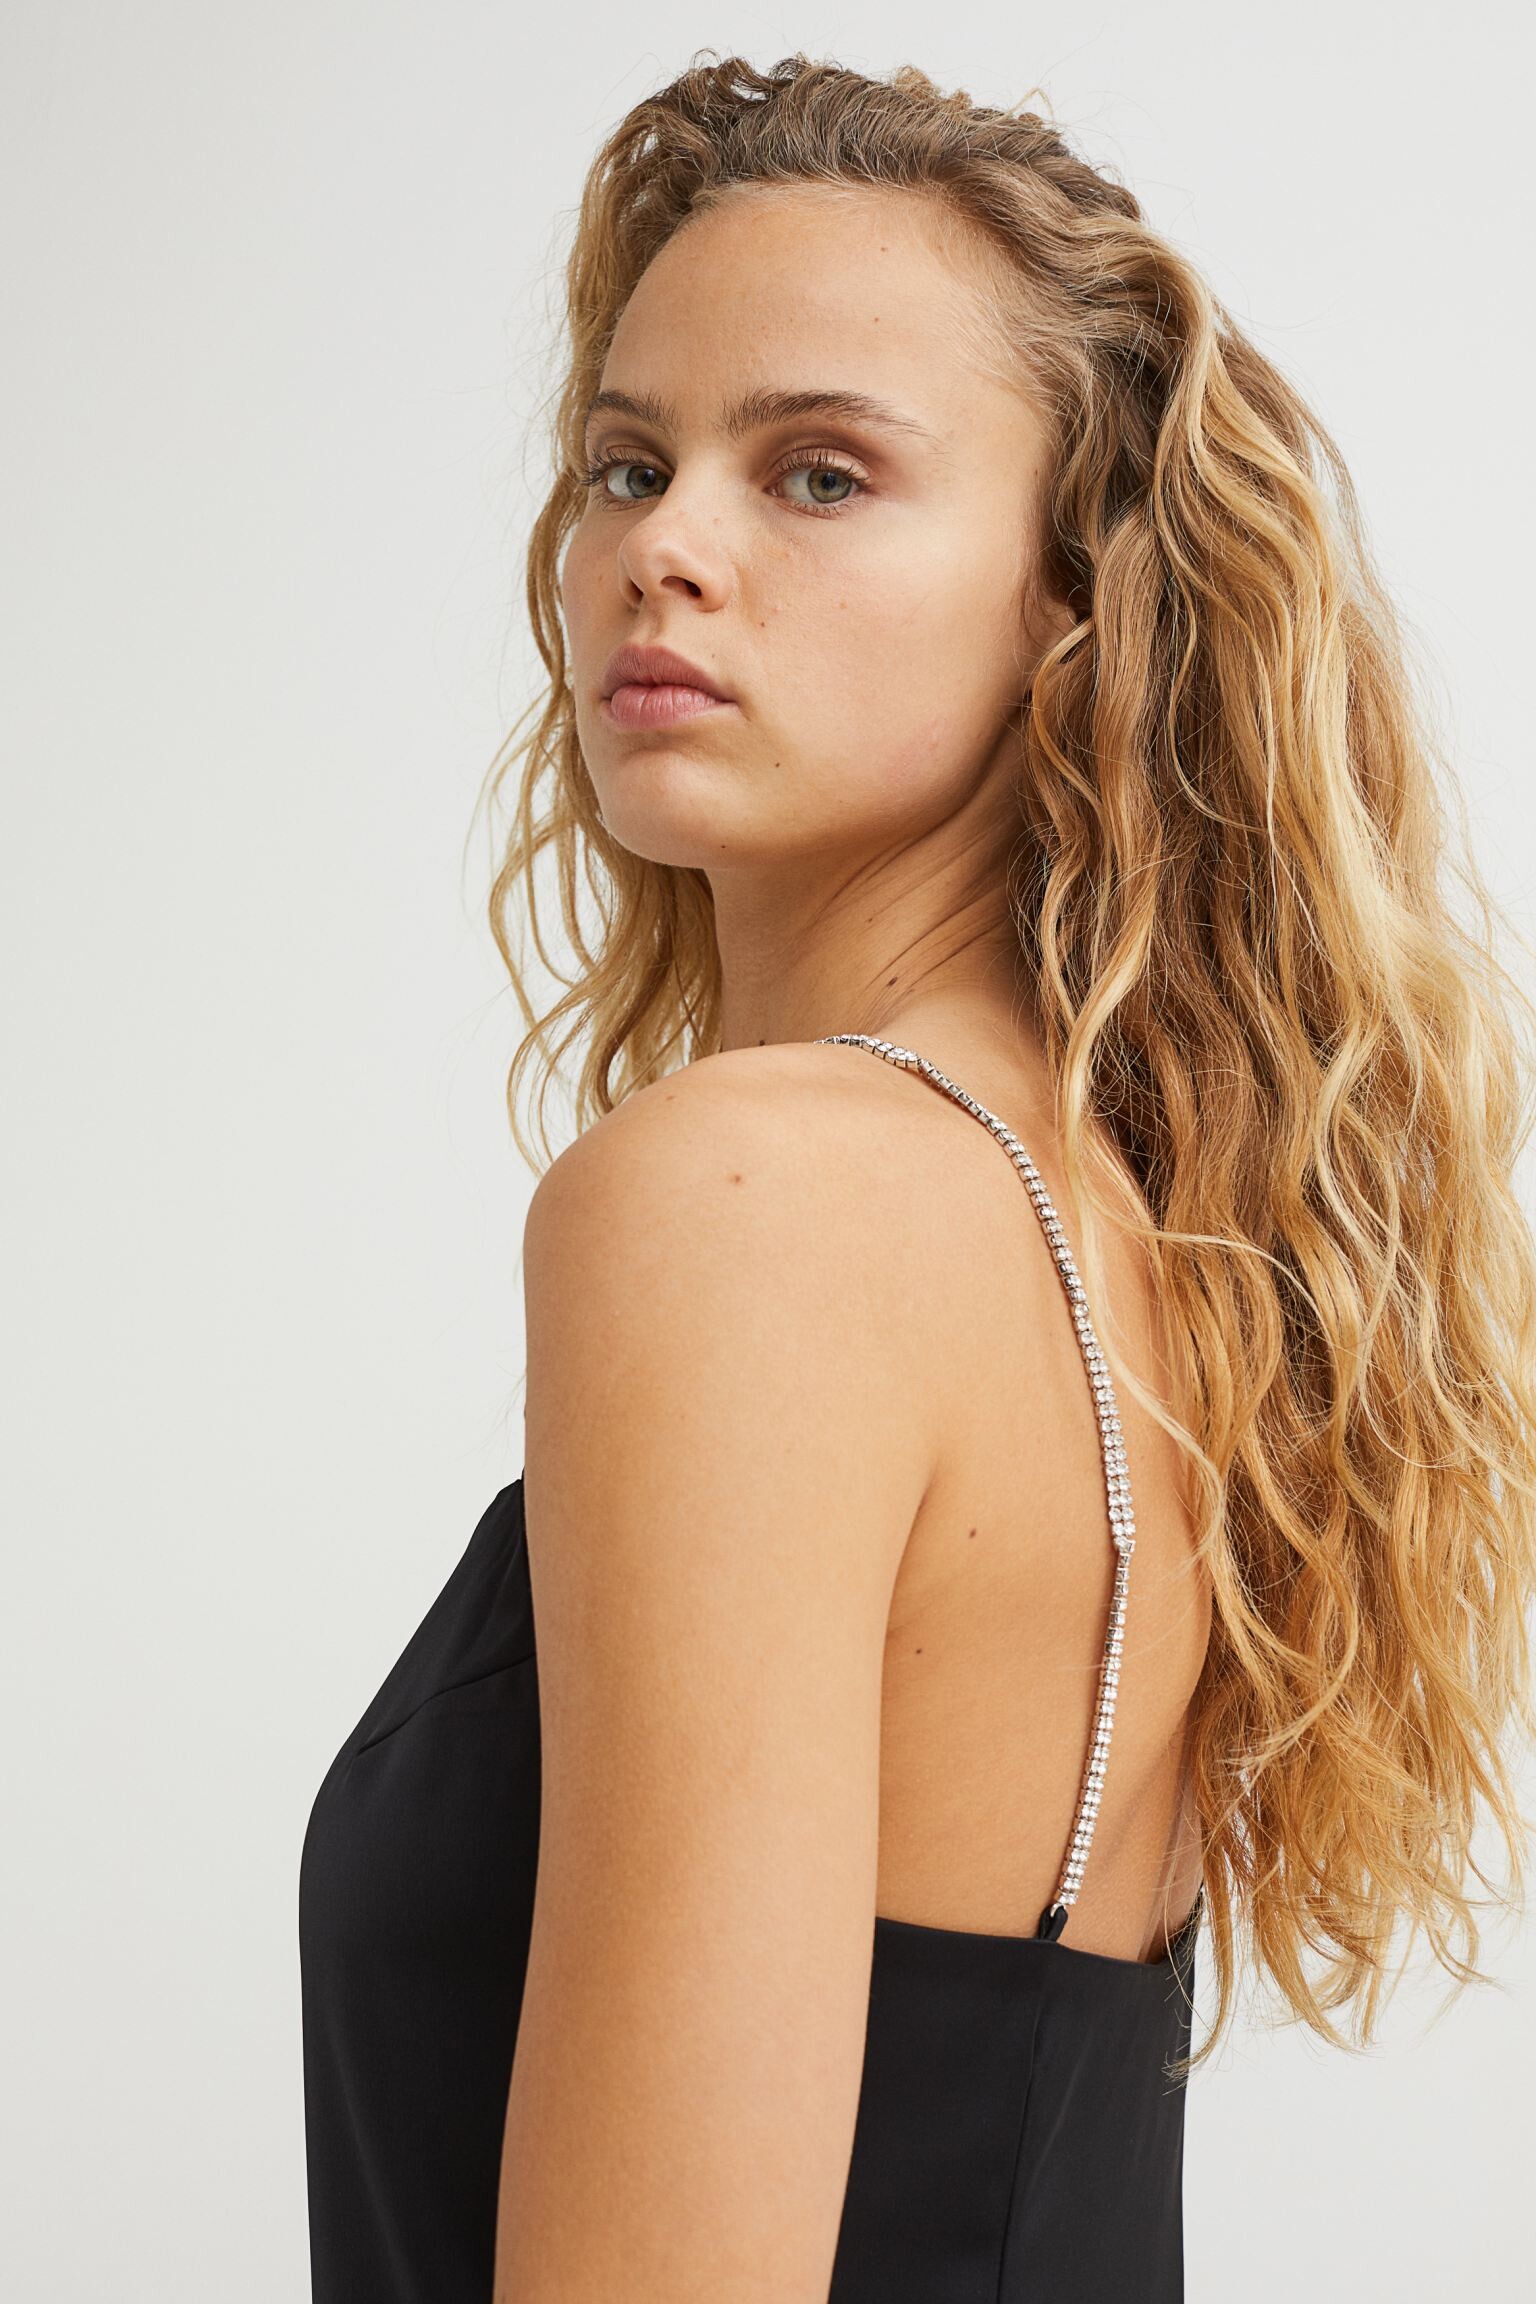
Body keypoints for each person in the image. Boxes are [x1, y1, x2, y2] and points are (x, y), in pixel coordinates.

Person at [298, 52, 1536, 2303]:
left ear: (1072, 595)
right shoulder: (1136, 1231)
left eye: (822, 472)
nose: (665, 546)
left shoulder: (749, 1205)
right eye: (626, 463)